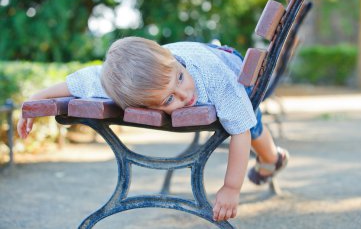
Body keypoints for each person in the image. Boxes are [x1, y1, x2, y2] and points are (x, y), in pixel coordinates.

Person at [17, 36, 289, 222]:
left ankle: (270, 158)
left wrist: (231, 188)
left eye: (179, 79)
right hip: (204, 56)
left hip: (233, 65)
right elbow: (79, 82)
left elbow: (239, 130)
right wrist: (33, 102)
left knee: (247, 120)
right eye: (168, 100)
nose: (184, 95)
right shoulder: (130, 83)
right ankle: (271, 158)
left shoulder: (219, 80)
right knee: (241, 118)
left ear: (171, 59)